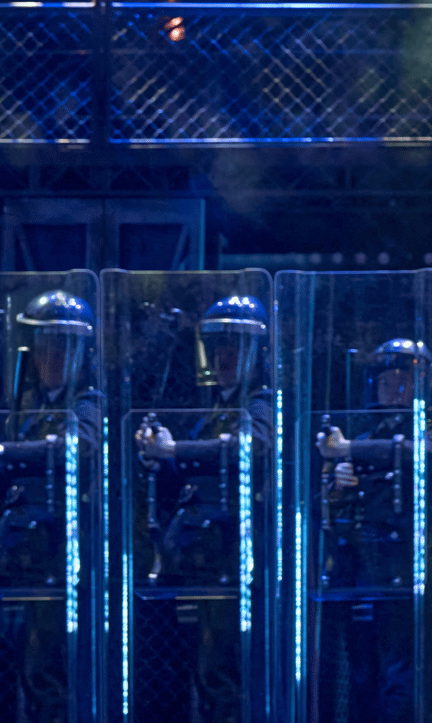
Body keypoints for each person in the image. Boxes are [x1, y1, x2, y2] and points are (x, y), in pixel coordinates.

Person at [0, 289, 105, 723]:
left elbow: (78, 448)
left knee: (49, 654)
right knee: (22, 652)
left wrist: (6, 449)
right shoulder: (33, 408)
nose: (49, 355)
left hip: (62, 551)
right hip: (22, 551)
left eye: (60, 344)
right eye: (43, 344)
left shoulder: (87, 404)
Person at [132, 295, 273, 723]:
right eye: (218, 345)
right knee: (200, 667)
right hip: (198, 557)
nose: (224, 355)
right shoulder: (214, 408)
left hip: (235, 556)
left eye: (235, 344)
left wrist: (178, 448)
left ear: (257, 351)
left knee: (223, 669)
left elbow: (255, 446)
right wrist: (157, 455)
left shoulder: (261, 403)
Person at [315, 338, 432, 723]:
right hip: (360, 570)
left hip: (409, 570)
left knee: (401, 670)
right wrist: (337, 482)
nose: (394, 385)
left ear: (424, 384)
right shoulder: (364, 435)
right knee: (361, 669)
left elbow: (427, 454)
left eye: (405, 377)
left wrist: (348, 451)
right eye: (387, 376)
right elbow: (330, 505)